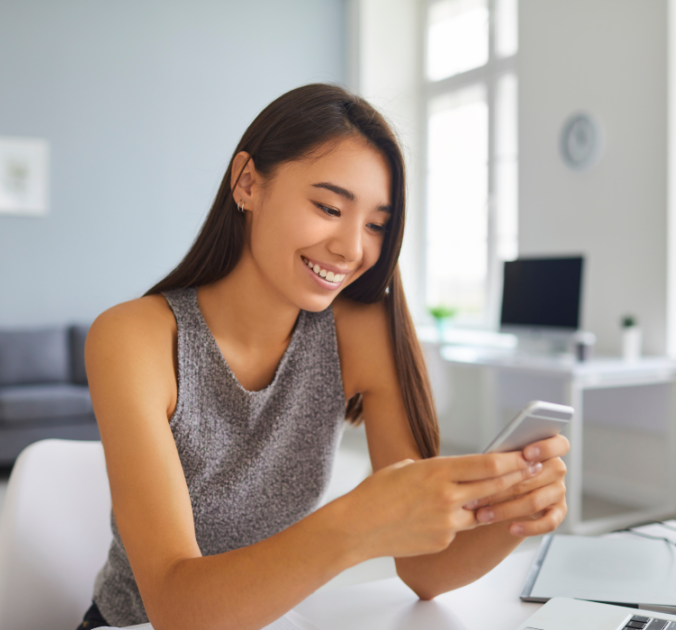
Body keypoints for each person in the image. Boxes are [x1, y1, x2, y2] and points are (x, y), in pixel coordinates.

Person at [79, 84, 569, 630]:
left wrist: (509, 514)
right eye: (329, 207)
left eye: (376, 225)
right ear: (247, 182)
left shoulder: (361, 330)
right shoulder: (133, 338)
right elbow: (175, 607)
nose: (352, 248)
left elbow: (427, 570)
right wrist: (356, 523)